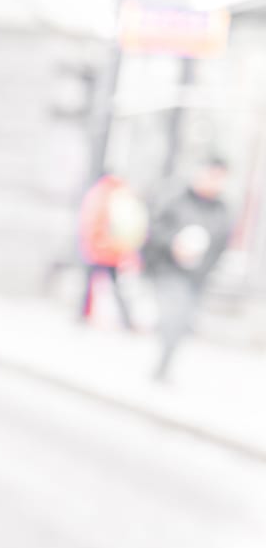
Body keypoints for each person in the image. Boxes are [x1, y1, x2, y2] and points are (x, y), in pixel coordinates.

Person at [141, 156, 232, 382]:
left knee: (182, 321)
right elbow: (155, 229)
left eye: (219, 177)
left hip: (197, 276)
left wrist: (207, 269)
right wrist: (174, 244)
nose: (213, 181)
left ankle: (164, 364)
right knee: (174, 316)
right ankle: (162, 368)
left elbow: (221, 245)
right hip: (169, 270)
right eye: (210, 174)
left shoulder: (222, 210)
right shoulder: (177, 199)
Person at [75, 173, 145, 329]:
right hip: (114, 249)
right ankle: (126, 320)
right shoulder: (120, 195)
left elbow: (91, 222)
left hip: (99, 248)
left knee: (92, 285)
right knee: (116, 286)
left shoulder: (99, 193)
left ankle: (83, 315)